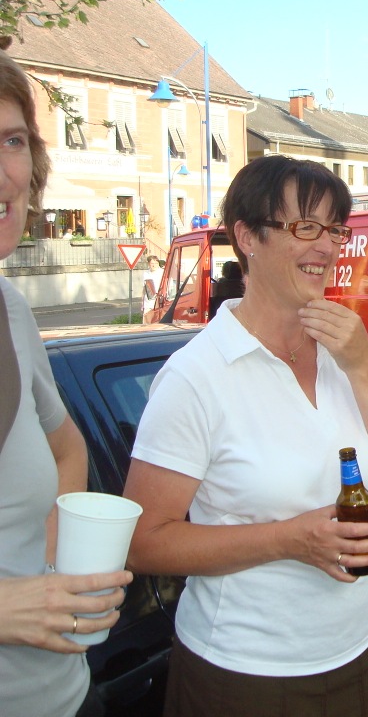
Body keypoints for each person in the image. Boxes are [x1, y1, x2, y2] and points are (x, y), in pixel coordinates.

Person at [122, 154, 368, 717]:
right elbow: (142, 541)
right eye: (305, 227)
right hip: (246, 671)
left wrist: (363, 365)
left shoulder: (344, 353)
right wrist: (289, 540)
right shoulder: (196, 376)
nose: (327, 247)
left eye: (335, 229)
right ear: (247, 237)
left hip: (361, 649)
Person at [0, 49, 132, 717]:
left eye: (12, 141)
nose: (3, 170)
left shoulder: (10, 310)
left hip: (64, 694)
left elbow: (67, 447)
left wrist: (55, 564)